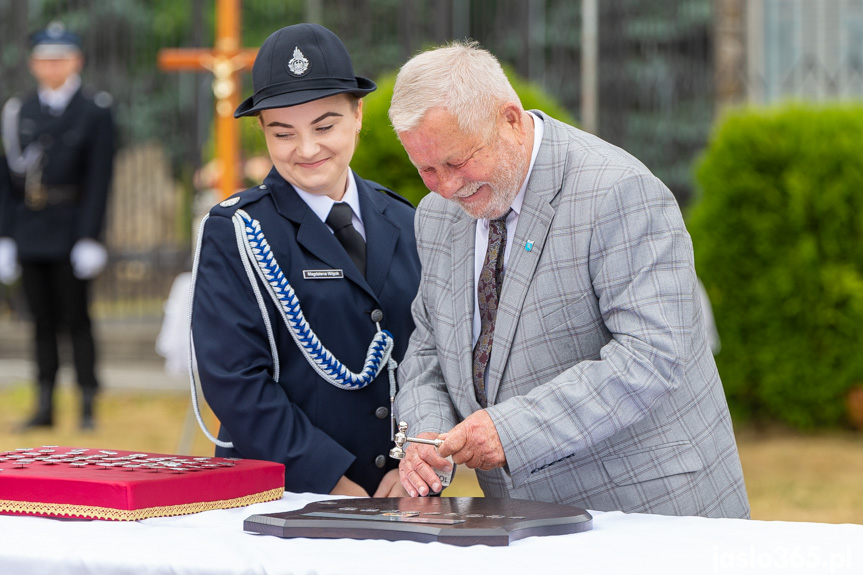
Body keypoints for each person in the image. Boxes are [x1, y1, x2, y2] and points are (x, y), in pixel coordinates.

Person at [389, 41, 750, 518]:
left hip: (652, 513)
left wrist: (511, 430)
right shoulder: (435, 216)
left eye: (457, 161)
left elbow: (652, 356)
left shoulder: (620, 191)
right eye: (426, 170)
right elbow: (430, 347)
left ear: (510, 120)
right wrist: (427, 435)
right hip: (524, 521)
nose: (448, 187)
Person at [190, 23, 421, 497]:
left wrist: (415, 461)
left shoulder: (404, 219)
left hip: (404, 492)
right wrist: (334, 482)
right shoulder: (237, 230)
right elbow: (236, 381)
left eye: (325, 125)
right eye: (284, 133)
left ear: (357, 115)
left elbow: (433, 356)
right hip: (289, 493)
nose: (308, 149)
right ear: (263, 133)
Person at [0, 22, 115, 431]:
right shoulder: (20, 111)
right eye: (45, 59)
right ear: (33, 64)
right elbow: (8, 182)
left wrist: (91, 237)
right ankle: (44, 403)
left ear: (77, 60)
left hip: (71, 229)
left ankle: (87, 401)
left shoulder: (94, 110)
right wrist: (6, 236)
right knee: (41, 321)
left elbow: (100, 179)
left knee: (77, 318)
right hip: (31, 230)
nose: (52, 66)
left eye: (60, 58)